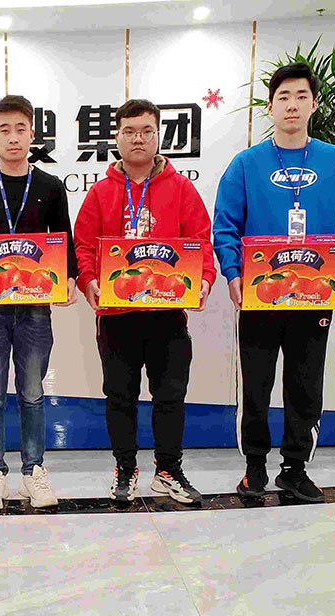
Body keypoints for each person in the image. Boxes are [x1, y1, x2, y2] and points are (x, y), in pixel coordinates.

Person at [213, 62, 335, 503]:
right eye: (283, 97)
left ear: (314, 104)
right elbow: (225, 225)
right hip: (260, 296)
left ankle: (295, 468)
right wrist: (233, 273)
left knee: (305, 384)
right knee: (256, 385)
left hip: (315, 296)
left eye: (301, 96)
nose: (292, 105)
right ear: (270, 107)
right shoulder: (246, 164)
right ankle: (254, 467)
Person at [74, 98, 215, 505]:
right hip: (117, 315)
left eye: (147, 131)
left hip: (167, 314)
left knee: (170, 395)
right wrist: (88, 281)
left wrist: (205, 280)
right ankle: (125, 468)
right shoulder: (100, 192)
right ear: (117, 137)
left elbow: (200, 241)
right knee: (120, 396)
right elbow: (83, 246)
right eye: (130, 132)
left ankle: (168, 470)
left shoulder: (182, 188)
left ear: (158, 136)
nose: (138, 139)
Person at [0, 95, 78, 510]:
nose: (13, 137)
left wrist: (70, 278)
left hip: (36, 307)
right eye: (4, 130)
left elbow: (64, 241)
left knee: (33, 393)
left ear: (32, 134)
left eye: (21, 129)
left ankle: (33, 471)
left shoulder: (50, 186)